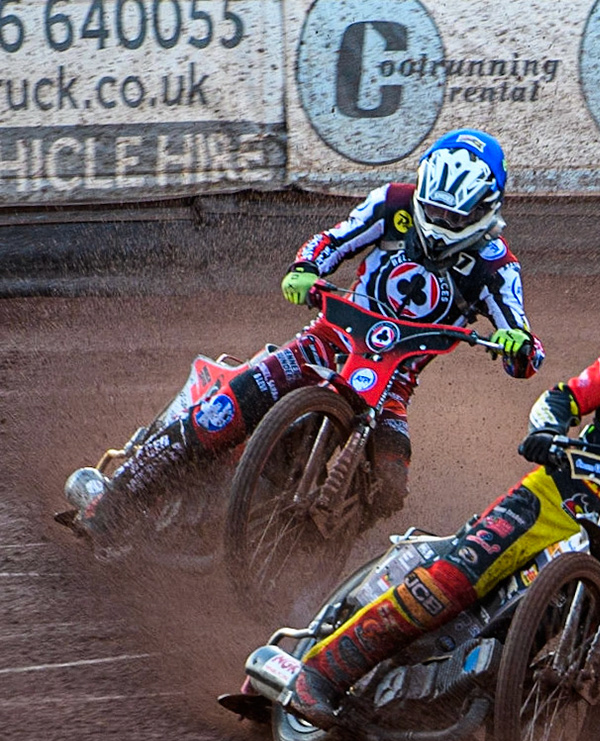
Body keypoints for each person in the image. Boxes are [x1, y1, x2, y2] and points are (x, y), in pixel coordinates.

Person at [281, 261, 600, 727]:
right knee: (451, 580)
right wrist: (549, 428)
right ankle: (321, 675)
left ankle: (501, 699)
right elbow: (565, 397)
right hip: (554, 493)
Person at [71, 129, 541, 535]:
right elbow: (334, 240)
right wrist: (306, 268)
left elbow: (523, 342)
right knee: (221, 414)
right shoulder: (393, 204)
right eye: (434, 212)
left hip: (394, 385)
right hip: (328, 340)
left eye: (454, 219)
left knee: (389, 489)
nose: (439, 225)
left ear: (486, 212)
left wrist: (517, 348)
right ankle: (113, 504)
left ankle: (310, 548)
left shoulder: (497, 268)